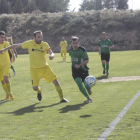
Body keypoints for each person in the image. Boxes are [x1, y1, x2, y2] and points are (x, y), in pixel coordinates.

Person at [0, 30, 69, 103]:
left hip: (45, 67)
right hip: (34, 70)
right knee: (35, 88)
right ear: (34, 37)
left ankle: (62, 99)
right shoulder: (29, 43)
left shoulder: (45, 44)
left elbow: (51, 52)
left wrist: (52, 55)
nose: (40, 39)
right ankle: (39, 91)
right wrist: (5, 49)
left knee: (56, 82)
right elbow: (17, 45)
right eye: (38, 37)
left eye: (41, 37)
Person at [68, 36, 92, 103]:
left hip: (83, 70)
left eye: (76, 43)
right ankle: (88, 98)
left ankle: (88, 89)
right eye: (73, 43)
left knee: (87, 85)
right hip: (75, 71)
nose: (75, 45)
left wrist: (79, 65)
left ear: (79, 43)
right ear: (71, 43)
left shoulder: (82, 50)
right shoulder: (70, 51)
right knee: (79, 83)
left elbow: (87, 60)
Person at [0, 31, 14, 100]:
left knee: (6, 79)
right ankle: (7, 93)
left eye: (3, 37)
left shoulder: (6, 43)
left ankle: (10, 93)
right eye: (1, 37)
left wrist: (13, 55)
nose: (2, 39)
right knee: (2, 81)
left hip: (6, 64)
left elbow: (11, 48)